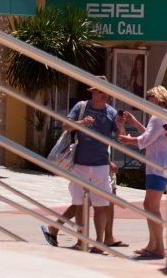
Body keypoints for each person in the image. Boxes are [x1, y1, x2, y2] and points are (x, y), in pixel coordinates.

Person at [41, 83, 118, 252]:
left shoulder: (112, 112)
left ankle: (99, 242)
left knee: (100, 205)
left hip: (101, 165)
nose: (105, 95)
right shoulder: (81, 106)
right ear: (93, 93)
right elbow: (66, 126)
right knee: (80, 204)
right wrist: (81, 122)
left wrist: (123, 125)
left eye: (107, 92)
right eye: (101, 91)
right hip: (80, 163)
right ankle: (81, 240)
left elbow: (117, 137)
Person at [118, 86, 167, 260]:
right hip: (163, 166)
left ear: (157, 99)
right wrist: (135, 124)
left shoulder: (157, 116)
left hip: (157, 166)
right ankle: (153, 244)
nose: (147, 102)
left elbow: (146, 139)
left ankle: (159, 247)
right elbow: (154, 136)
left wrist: (129, 140)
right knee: (150, 206)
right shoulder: (164, 116)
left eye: (149, 98)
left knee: (151, 207)